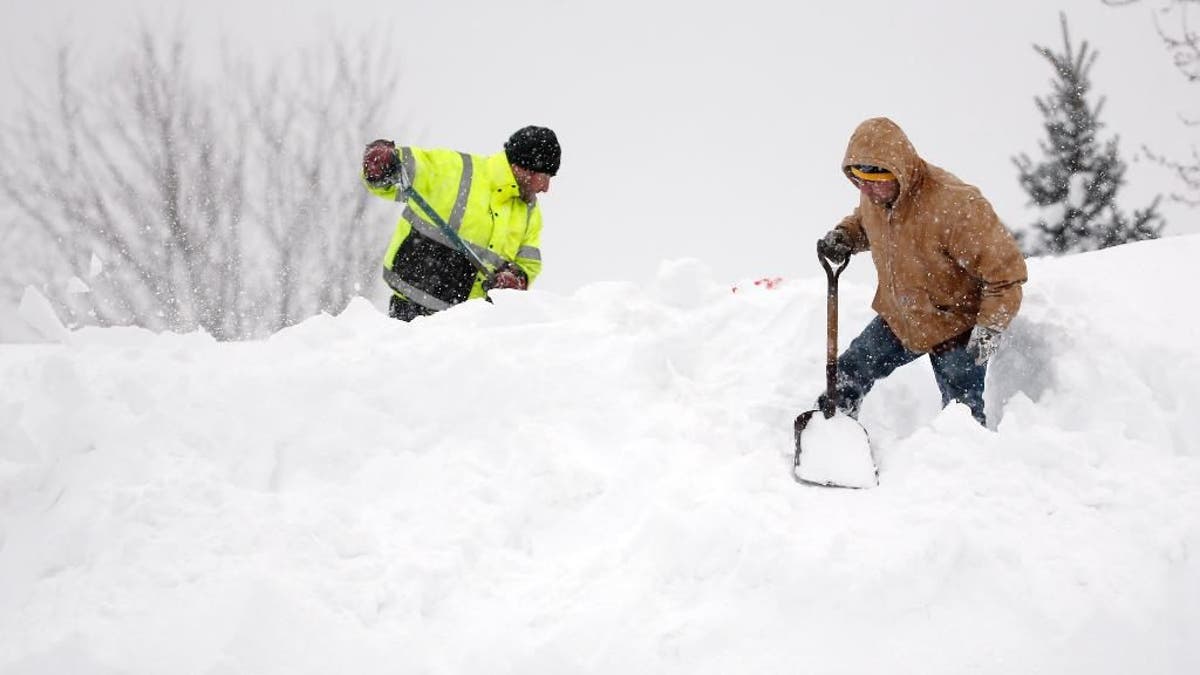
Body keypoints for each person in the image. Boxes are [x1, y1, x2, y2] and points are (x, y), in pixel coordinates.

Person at [815, 117, 1027, 426]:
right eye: (859, 181)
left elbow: (1006, 275)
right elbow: (865, 222)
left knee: (962, 417)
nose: (868, 191)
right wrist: (845, 236)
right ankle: (831, 429)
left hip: (956, 327)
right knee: (849, 372)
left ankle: (968, 465)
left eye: (875, 181)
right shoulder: (876, 194)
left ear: (898, 169)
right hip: (902, 317)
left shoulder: (956, 204)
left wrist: (989, 330)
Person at [361, 125, 560, 321]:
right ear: (522, 168)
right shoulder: (458, 170)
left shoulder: (530, 213)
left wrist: (516, 278)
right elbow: (405, 169)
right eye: (544, 177)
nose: (546, 188)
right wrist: (383, 162)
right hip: (414, 314)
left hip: (471, 325)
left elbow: (529, 263)